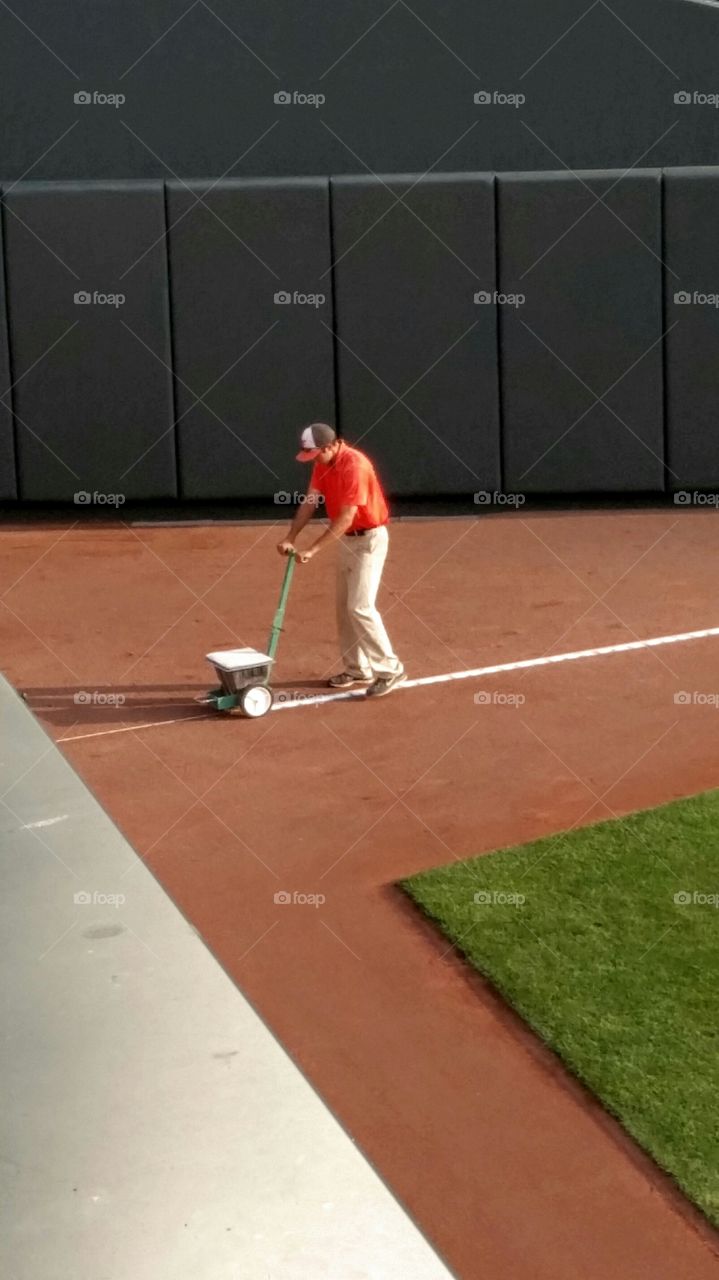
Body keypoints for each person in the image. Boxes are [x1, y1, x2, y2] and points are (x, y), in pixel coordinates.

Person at [277, 423, 405, 698]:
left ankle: (390, 668)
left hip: (369, 540)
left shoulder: (354, 466)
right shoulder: (322, 462)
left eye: (315, 455)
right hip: (347, 540)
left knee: (360, 606)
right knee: (343, 607)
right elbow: (310, 502)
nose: (313, 460)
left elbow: (346, 517)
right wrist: (291, 537)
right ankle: (357, 668)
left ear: (330, 446)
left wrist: (312, 549)